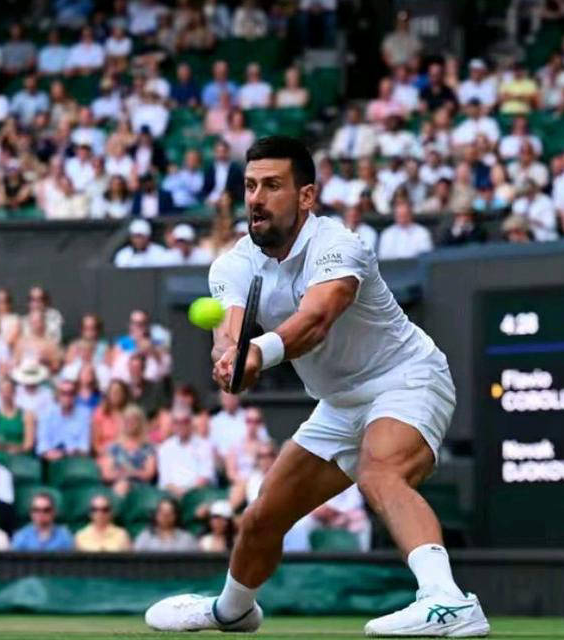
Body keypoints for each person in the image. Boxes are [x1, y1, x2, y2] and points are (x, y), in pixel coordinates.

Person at [146, 136, 484, 636]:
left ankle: (447, 600)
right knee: (262, 516)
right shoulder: (233, 264)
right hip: (339, 403)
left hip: (407, 377)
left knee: (380, 470)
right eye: (250, 186)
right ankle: (232, 611)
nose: (256, 198)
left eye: (272, 186)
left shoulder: (339, 246)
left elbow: (317, 319)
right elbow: (231, 335)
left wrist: (258, 353)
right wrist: (230, 360)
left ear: (306, 196)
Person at [156, 410, 216, 498]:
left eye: (185, 422)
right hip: (172, 495)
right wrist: (178, 492)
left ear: (191, 423)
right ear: (173, 425)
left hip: (198, 494)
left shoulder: (204, 446)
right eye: (177, 422)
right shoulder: (165, 448)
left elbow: (205, 476)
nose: (181, 426)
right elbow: (165, 480)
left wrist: (187, 493)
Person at [134, 497, 198, 552]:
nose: (165, 516)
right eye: (162, 512)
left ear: (176, 516)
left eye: (169, 512)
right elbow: (136, 559)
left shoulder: (186, 538)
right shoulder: (145, 537)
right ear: (156, 514)